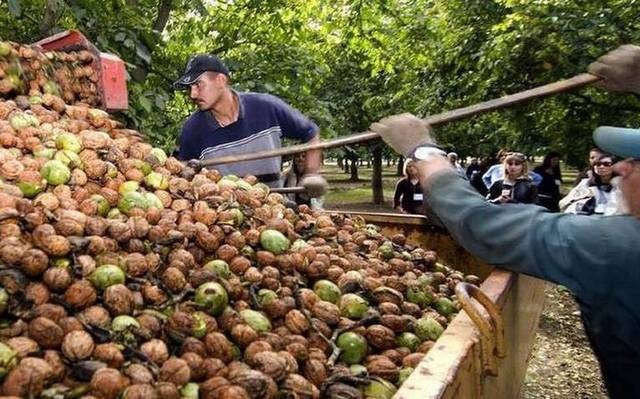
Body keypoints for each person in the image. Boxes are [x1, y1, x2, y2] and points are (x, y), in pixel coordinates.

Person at [369, 44, 640, 398]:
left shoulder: (616, 248)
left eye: (634, 162)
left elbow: (481, 224)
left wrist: (422, 149)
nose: (619, 167)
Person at [173, 54, 326, 196]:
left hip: (275, 211)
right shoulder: (192, 129)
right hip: (227, 218)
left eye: (198, 84)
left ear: (220, 80)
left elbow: (311, 132)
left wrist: (311, 174)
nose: (192, 94)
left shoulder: (266, 107)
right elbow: (186, 174)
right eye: (189, 88)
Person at [560, 153, 626, 215]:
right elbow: (568, 202)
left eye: (606, 164)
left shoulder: (622, 185)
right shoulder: (586, 183)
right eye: (598, 164)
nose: (601, 167)